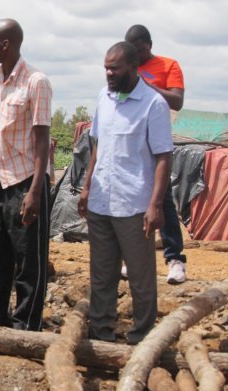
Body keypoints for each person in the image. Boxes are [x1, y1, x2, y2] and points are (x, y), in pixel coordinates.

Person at [78, 42, 172, 344]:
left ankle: (141, 335)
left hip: (134, 205)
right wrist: (87, 186)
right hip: (101, 203)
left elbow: (163, 157)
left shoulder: (153, 104)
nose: (108, 73)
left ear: (133, 67)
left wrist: (155, 204)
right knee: (102, 274)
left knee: (141, 278)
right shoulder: (103, 99)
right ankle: (102, 333)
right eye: (106, 67)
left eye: (114, 67)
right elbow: (97, 147)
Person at [0, 19, 52, 332]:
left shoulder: (36, 81)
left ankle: (25, 327)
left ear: (6, 44)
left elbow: (42, 139)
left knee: (28, 261)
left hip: (24, 183)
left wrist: (35, 191)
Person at [125, 24, 187, 284]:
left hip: (157, 140)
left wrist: (145, 86)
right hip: (132, 140)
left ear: (149, 45)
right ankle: (136, 258)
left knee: (162, 200)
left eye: (139, 51)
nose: (136, 58)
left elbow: (176, 101)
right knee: (133, 198)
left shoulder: (168, 65)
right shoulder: (127, 67)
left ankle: (175, 259)